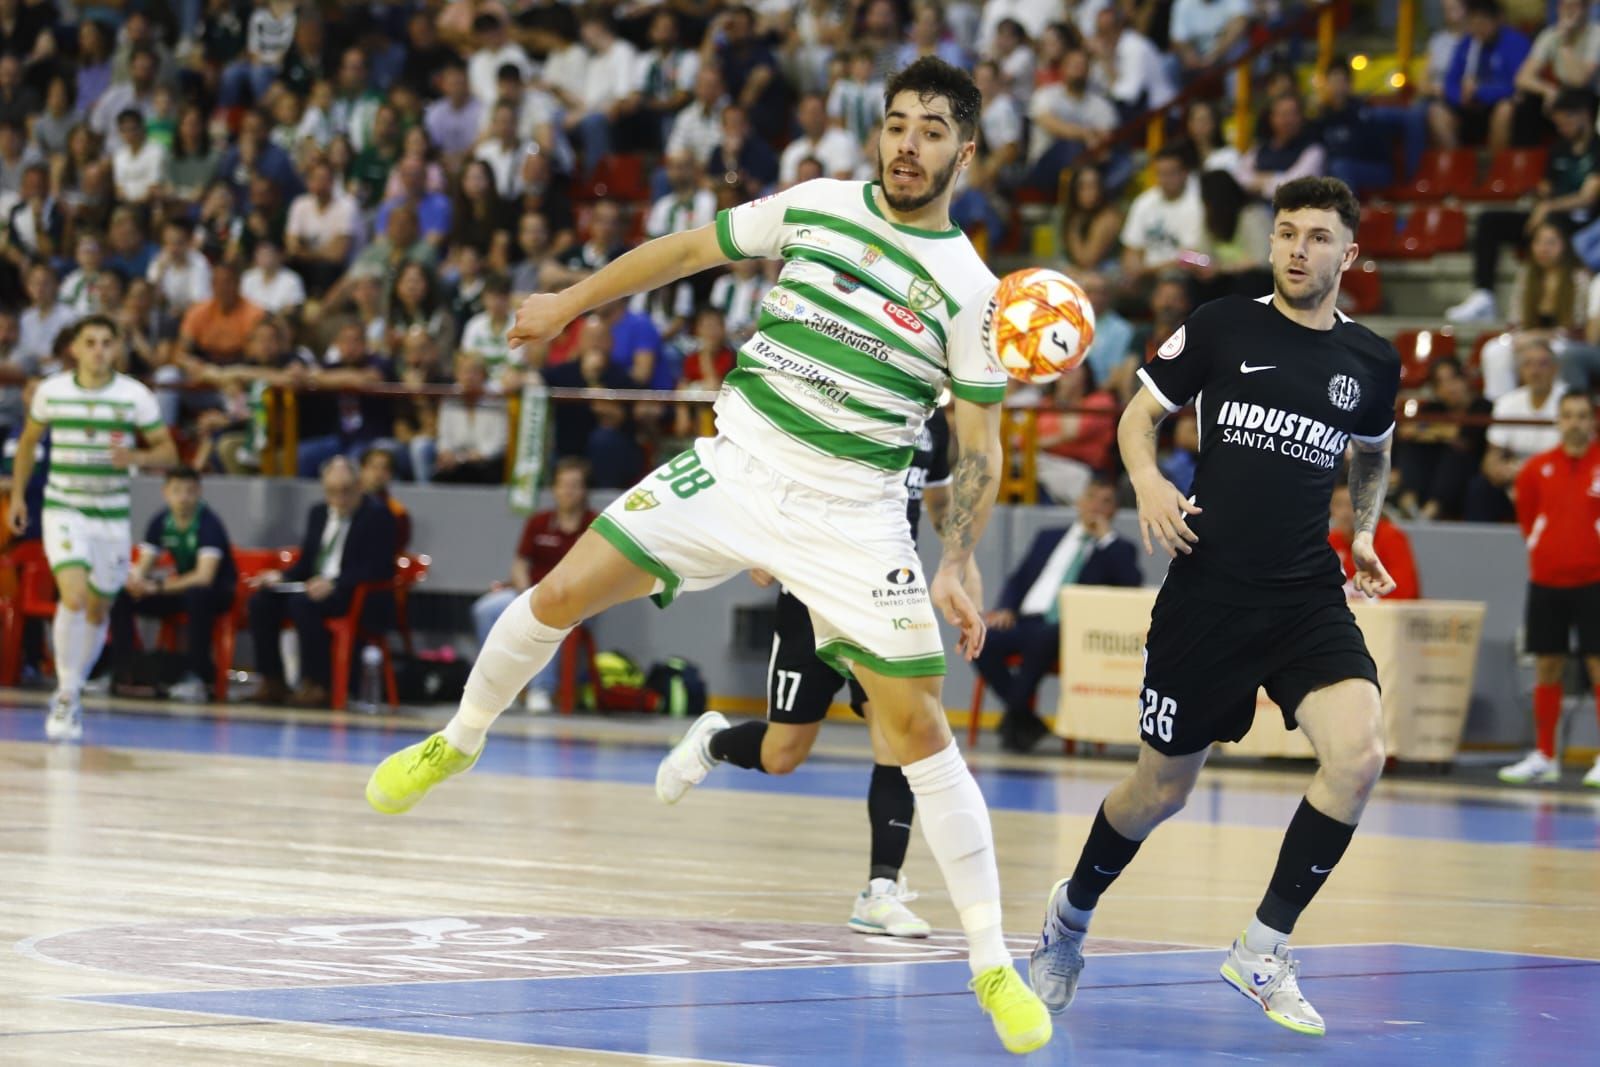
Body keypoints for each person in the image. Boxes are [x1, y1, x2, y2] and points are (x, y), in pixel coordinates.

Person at [364, 57, 1053, 1055]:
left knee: (917, 727)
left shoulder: (972, 291)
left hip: (854, 519)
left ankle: (990, 959)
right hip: (733, 467)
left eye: (931, 129)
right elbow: (686, 248)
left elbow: (980, 447)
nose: (907, 142)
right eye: (896, 122)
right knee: (556, 593)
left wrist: (957, 555)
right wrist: (569, 301)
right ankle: (460, 738)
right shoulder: (816, 205)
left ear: (965, 150)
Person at [1030, 177, 1402, 1038]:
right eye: (1285, 234)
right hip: (1208, 592)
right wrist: (1150, 479)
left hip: (1305, 593)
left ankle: (1263, 947)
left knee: (1360, 754)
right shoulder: (1224, 324)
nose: (1297, 250)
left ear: (1348, 254)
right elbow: (1136, 418)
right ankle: (1071, 914)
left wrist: (1368, 534)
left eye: (1316, 237)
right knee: (1160, 790)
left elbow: (1373, 454)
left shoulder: (1372, 361)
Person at [686, 407, 955, 937]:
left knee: (897, 736)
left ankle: (881, 890)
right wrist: (758, 545)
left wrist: (958, 564)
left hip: (885, 602)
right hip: (811, 596)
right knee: (781, 755)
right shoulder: (849, 396)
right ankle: (716, 743)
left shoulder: (936, 421)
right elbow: (767, 475)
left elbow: (939, 499)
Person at [7, 315, 178, 741]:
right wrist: (16, 496)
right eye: (91, 342)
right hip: (64, 507)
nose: (98, 350)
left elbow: (169, 452)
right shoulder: (52, 391)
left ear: (117, 348)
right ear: (75, 349)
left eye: (106, 342)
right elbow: (28, 442)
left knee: (99, 608)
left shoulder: (134, 396)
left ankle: (75, 687)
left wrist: (135, 459)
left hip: (111, 515)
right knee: (74, 595)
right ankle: (65, 694)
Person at [977, 478, 1141, 751]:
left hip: (1069, 630)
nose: (1097, 506)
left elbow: (1130, 586)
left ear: (1114, 510)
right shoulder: (1049, 537)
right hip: (1026, 619)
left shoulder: (1119, 549)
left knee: (1043, 639)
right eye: (1092, 498)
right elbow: (1018, 579)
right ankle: (1024, 719)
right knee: (983, 640)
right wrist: (1006, 608)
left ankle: (1017, 721)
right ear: (1079, 502)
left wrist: (1105, 538)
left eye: (1106, 502)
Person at [1498, 392, 1600, 789]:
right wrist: (1546, 548)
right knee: (1547, 666)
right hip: (1547, 581)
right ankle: (1544, 755)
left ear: (1592, 421)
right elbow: (1527, 522)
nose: (1574, 422)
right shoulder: (1535, 470)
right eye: (1567, 416)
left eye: (1581, 416)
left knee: (1597, 667)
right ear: (1558, 421)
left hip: (1595, 581)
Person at [246, 456, 397, 708]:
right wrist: (280, 576)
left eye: (345, 490)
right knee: (262, 601)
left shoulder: (378, 516)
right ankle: (272, 680)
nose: (339, 498)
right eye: (332, 491)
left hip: (353, 594)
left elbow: (378, 567)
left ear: (359, 485)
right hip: (314, 588)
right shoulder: (318, 513)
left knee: (302, 604)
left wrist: (335, 582)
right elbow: (306, 563)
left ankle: (318, 684)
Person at [471, 457, 597, 712]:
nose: (568, 491)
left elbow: (599, 571)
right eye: (563, 485)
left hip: (575, 601)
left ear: (584, 491)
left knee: (548, 617)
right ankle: (500, 686)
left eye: (574, 486)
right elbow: (520, 563)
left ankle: (542, 689)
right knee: (485, 609)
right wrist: (526, 592)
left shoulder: (595, 526)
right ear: (554, 489)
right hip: (531, 592)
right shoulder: (539, 521)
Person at [111, 466, 237, 702]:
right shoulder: (161, 520)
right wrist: (135, 582)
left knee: (197, 595)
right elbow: (143, 564)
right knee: (122, 596)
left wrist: (157, 587)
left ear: (199, 492)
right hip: (181, 591)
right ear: (165, 492)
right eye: (176, 491)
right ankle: (125, 672)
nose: (183, 498)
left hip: (217, 594)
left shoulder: (209, 524)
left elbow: (204, 576)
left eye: (189, 491)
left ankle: (199, 677)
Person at [1328, 481, 1418, 600]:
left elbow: (1405, 591)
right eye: (1338, 505)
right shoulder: (1331, 540)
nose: (1345, 513)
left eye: (1352, 505)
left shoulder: (1390, 536)